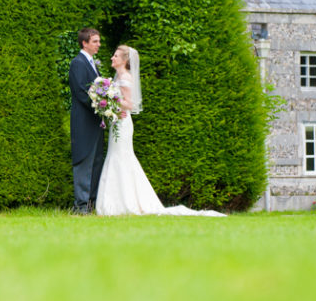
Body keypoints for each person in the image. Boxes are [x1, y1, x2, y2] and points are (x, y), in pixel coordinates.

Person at [95, 45, 225, 217]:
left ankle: (123, 202)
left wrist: (111, 100)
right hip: (116, 122)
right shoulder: (117, 78)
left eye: (116, 55)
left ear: (124, 61)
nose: (112, 58)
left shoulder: (126, 78)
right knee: (116, 155)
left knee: (121, 156)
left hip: (123, 123)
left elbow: (130, 104)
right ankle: (115, 201)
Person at [68, 28, 106, 215]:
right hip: (83, 122)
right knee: (84, 161)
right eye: (95, 41)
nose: (98, 44)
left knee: (96, 161)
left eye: (98, 41)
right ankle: (81, 206)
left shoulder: (92, 63)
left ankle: (90, 203)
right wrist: (102, 106)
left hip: (96, 122)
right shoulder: (77, 63)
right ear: (85, 43)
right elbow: (81, 92)